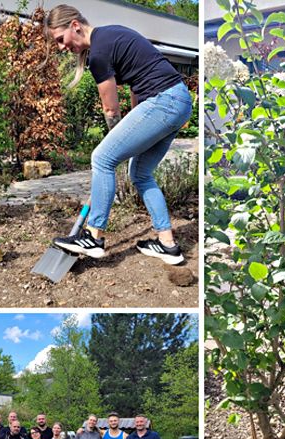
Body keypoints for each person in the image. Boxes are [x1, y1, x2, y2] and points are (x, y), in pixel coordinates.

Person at [45, 5, 193, 266]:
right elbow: (138, 83)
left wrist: (117, 145)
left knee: (102, 158)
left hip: (164, 101)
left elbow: (111, 108)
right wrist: (135, 132)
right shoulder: (110, 35)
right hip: (178, 101)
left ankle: (93, 237)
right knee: (140, 174)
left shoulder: (99, 52)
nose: (60, 47)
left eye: (60, 39)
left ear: (75, 26)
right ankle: (168, 244)